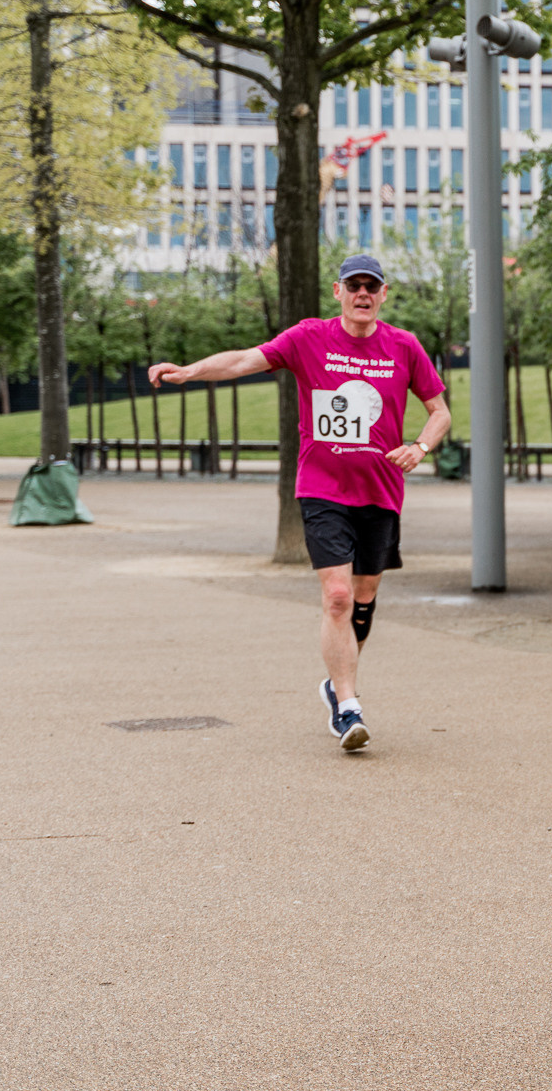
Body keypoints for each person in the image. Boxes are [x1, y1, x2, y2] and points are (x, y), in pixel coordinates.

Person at [148, 253, 450, 753]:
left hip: (380, 490)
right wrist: (189, 372)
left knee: (365, 594)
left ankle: (336, 681)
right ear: (338, 291)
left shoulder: (404, 346)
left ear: (384, 294)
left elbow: (438, 411)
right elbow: (245, 359)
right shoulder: (310, 337)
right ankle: (347, 705)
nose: (362, 295)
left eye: (371, 287)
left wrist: (419, 446)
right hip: (322, 487)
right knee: (337, 595)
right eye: (353, 286)